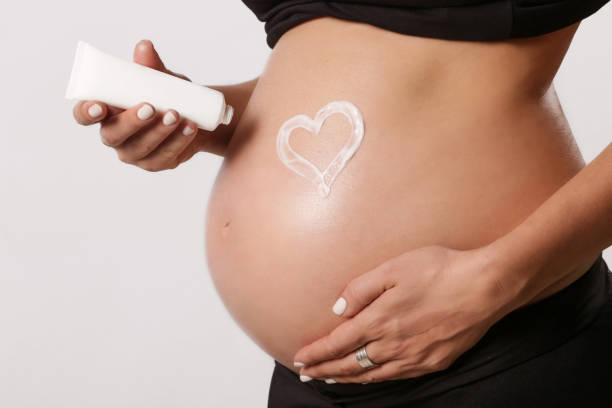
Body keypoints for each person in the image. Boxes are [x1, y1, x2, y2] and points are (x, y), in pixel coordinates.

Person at [72, 0, 612, 406]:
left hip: (501, 346)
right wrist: (198, 116)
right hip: (310, 380)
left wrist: (496, 280)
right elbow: (356, 70)